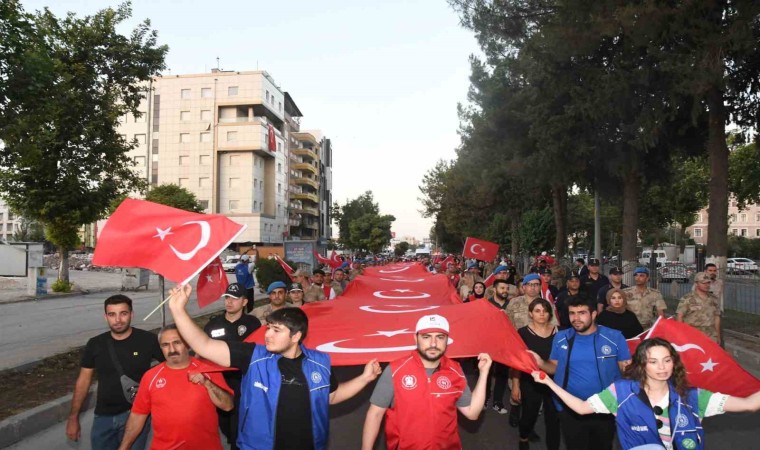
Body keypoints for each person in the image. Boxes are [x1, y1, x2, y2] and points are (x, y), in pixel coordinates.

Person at [167, 284, 381, 450]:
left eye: (276, 330)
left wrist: (364, 378)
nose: (267, 334)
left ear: (296, 336)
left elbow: (330, 397)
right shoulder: (252, 356)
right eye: (268, 328)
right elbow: (203, 345)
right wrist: (178, 310)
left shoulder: (320, 362)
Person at [531, 337, 760, 450]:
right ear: (642, 365)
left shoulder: (693, 396)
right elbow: (581, 408)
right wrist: (549, 383)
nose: (662, 367)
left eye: (667, 360)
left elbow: (750, 404)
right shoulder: (621, 392)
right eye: (653, 361)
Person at [361, 314, 492, 450]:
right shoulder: (395, 370)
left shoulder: (455, 370)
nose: (433, 344)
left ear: (447, 340)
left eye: (440, 337)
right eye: (426, 337)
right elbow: (375, 414)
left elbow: (472, 413)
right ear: (415, 338)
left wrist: (483, 373)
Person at [531, 296, 631, 450]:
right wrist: (540, 362)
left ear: (593, 314)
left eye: (582, 313)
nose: (576, 318)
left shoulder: (614, 337)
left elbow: (626, 372)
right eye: (572, 313)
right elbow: (554, 367)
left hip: (605, 407)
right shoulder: (561, 337)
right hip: (570, 408)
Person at [66, 295, 163, 450]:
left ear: (132, 314)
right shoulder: (95, 344)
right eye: (112, 314)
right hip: (103, 418)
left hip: (137, 416)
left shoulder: (148, 340)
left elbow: (170, 368)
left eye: (123, 313)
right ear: (106, 317)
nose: (118, 320)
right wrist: (73, 418)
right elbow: (83, 381)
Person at [118, 325, 234, 450]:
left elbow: (228, 406)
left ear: (187, 344)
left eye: (177, 342)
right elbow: (137, 416)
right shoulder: (151, 376)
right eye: (165, 345)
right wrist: (124, 447)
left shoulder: (208, 369)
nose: (172, 349)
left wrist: (207, 383)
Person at [204, 283, 262, 450]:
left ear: (244, 302)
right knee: (225, 424)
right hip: (219, 383)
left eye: (235, 299)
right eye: (227, 297)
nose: (229, 302)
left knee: (241, 427)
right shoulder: (213, 325)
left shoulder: (252, 324)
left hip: (245, 383)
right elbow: (203, 351)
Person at [511, 298, 560, 450]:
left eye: (545, 311)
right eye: (537, 311)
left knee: (553, 418)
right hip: (530, 381)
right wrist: (516, 385)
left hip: (554, 381)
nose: (542, 314)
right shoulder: (523, 333)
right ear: (530, 313)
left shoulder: (559, 332)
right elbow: (517, 362)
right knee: (529, 414)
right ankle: (523, 438)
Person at [485, 279, 511, 413]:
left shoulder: (512, 304)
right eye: (502, 288)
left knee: (502, 374)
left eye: (507, 288)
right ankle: (484, 399)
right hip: (488, 344)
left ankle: (498, 402)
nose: (505, 291)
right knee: (485, 372)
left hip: (506, 345)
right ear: (494, 290)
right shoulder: (486, 304)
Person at [677, 272, 721, 343]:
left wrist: (718, 336)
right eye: (703, 283)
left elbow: (717, 318)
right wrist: (680, 335)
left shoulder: (714, 299)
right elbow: (680, 317)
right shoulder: (687, 299)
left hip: (711, 336)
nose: (707, 285)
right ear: (696, 283)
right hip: (692, 336)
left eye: (708, 283)